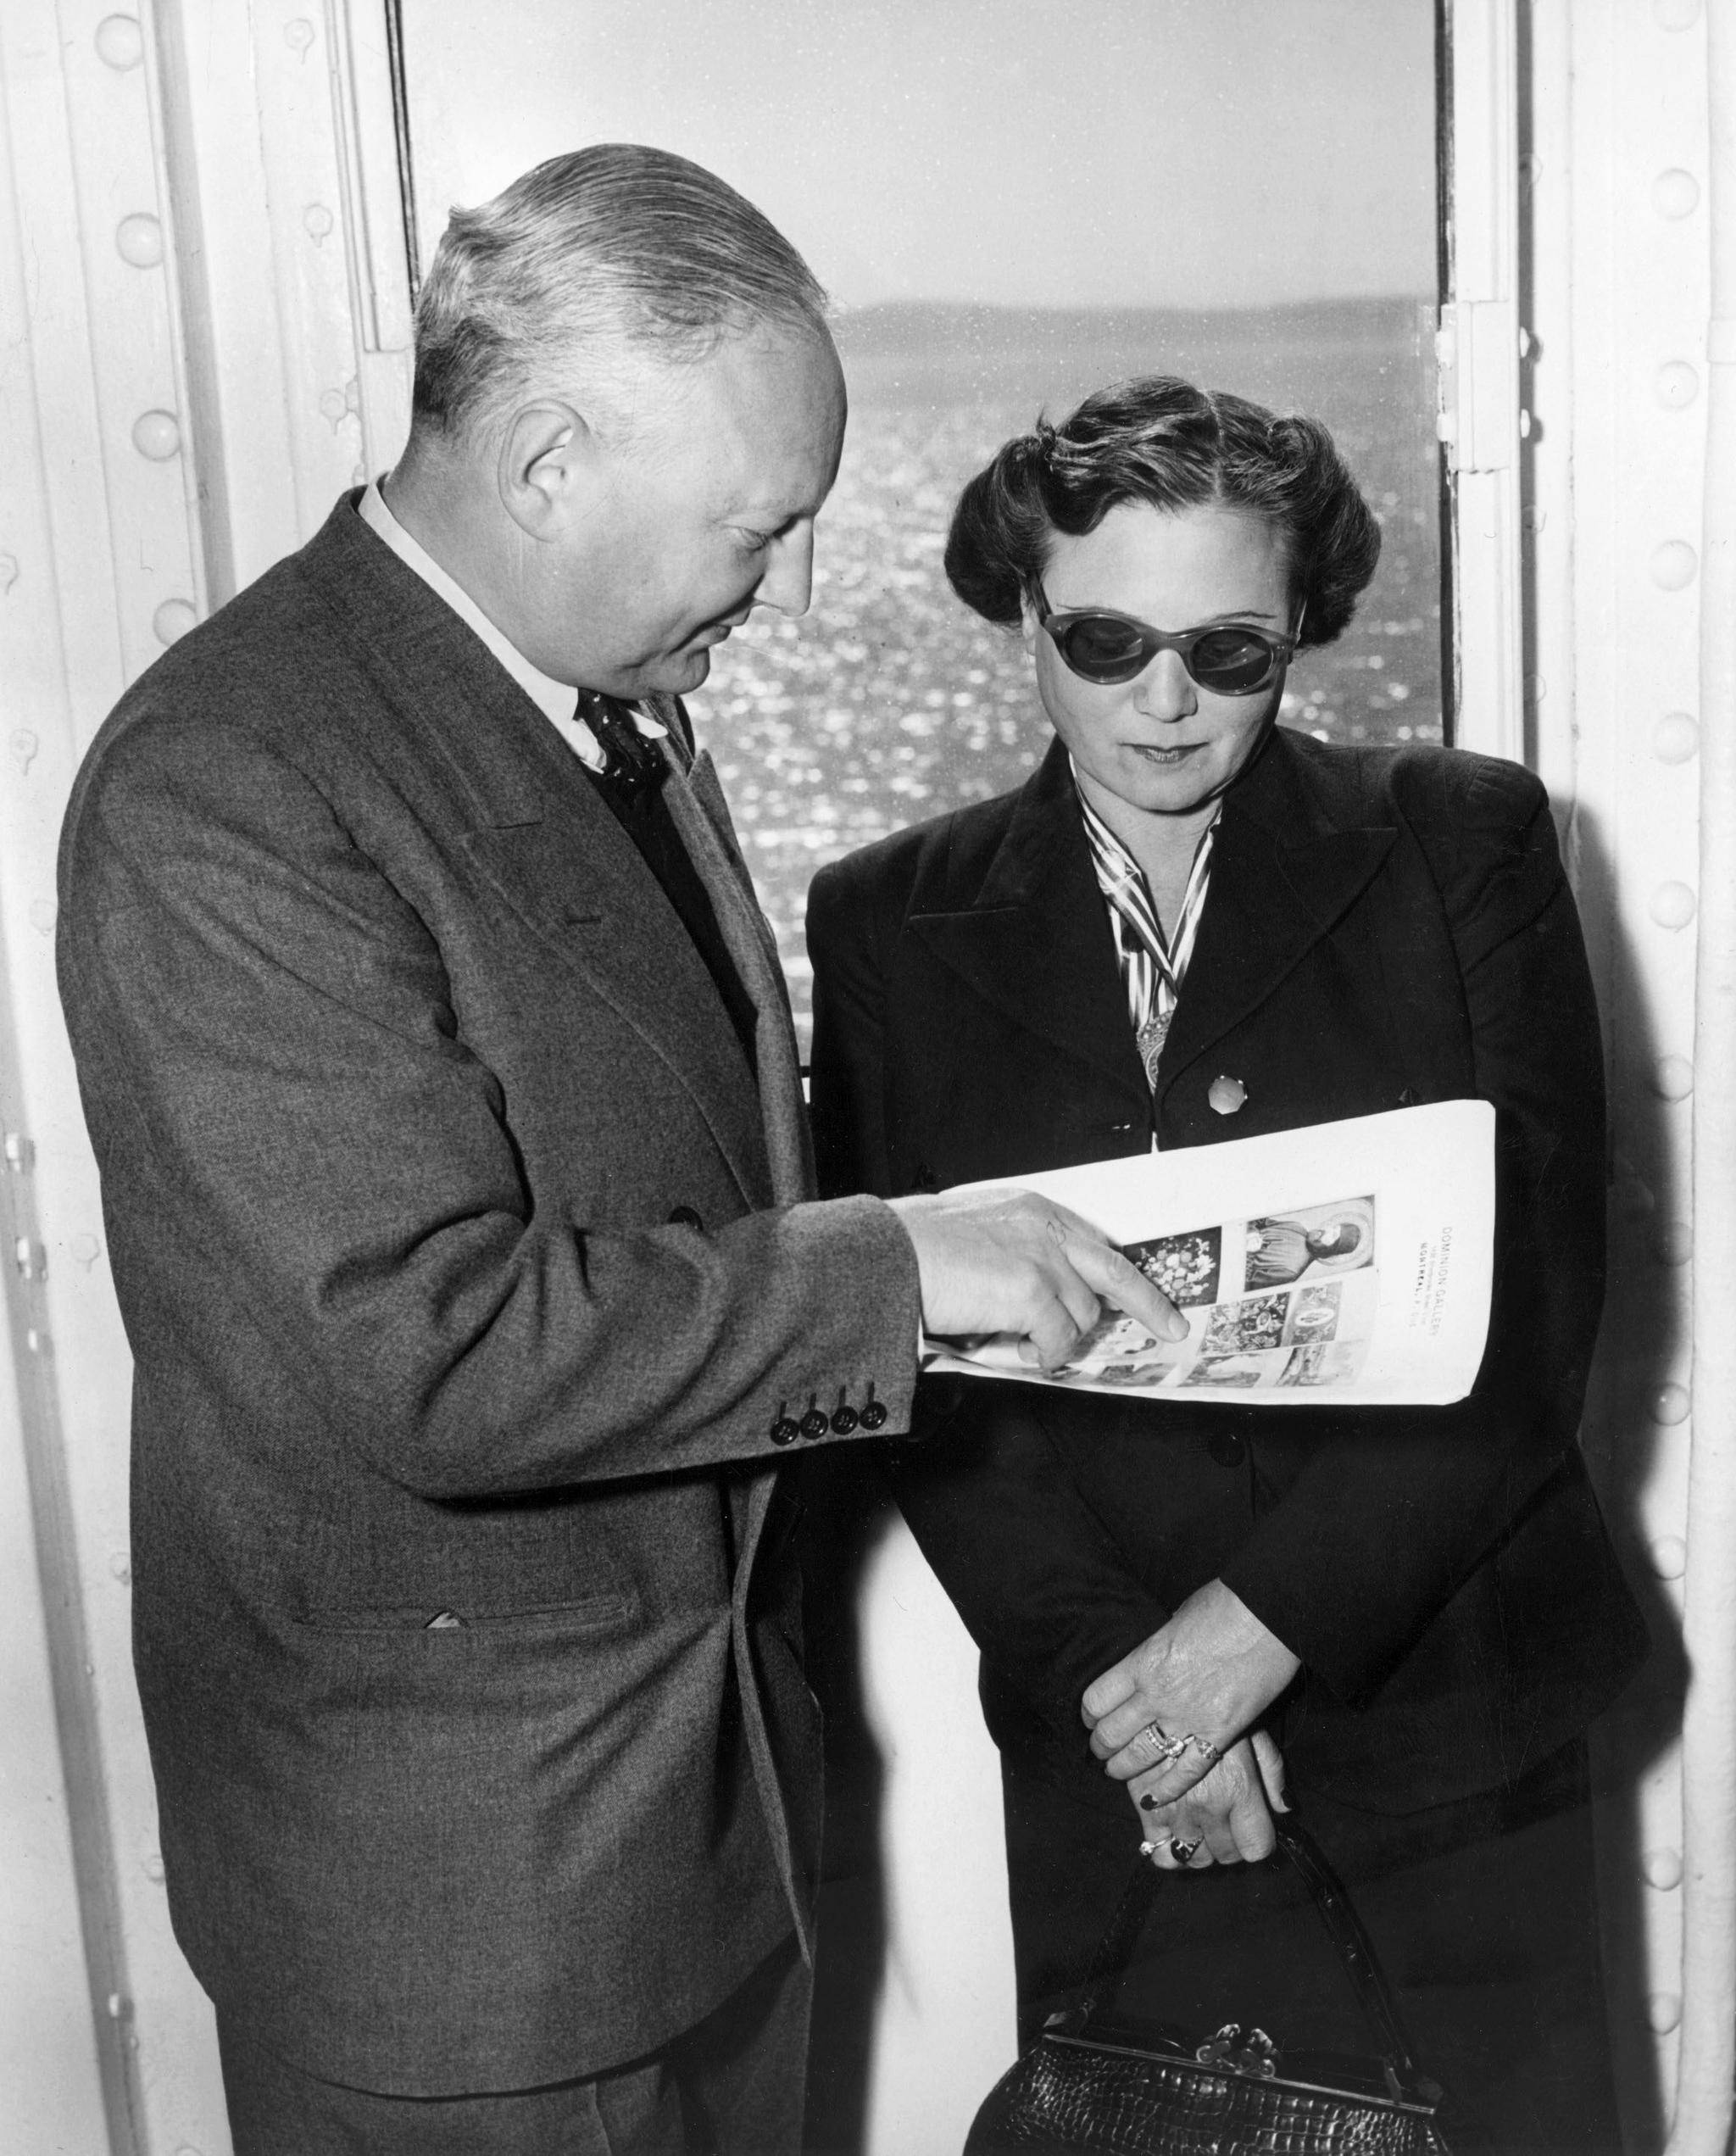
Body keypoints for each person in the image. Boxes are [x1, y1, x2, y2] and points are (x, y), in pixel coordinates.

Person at [54, 150, 1177, 2155]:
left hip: (703, 1837)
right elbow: (427, 1352)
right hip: (471, 1931)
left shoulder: (605, 701)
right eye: (762, 526)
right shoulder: (227, 783)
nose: (799, 588)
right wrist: (909, 1265)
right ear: (551, 460)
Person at [806, 376, 1650, 2150]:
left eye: (1230, 649)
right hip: (1111, 1739)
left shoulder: (1460, 845)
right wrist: (1139, 1701)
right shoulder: (885, 913)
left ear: (1304, 633)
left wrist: (1248, 1646)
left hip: (1445, 1711)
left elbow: (1532, 1312)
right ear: (1019, 620)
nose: (1165, 700)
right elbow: (923, 1363)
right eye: (1105, 638)